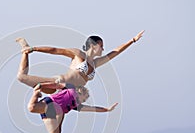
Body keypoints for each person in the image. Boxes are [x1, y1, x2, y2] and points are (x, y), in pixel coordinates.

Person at [16, 30, 144, 93]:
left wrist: (132, 40)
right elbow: (55, 50)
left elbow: (115, 52)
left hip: (68, 93)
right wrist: (34, 49)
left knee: (57, 130)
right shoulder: (78, 54)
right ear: (93, 46)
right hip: (57, 83)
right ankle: (25, 49)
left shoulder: (95, 64)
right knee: (21, 77)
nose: (103, 49)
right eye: (101, 46)